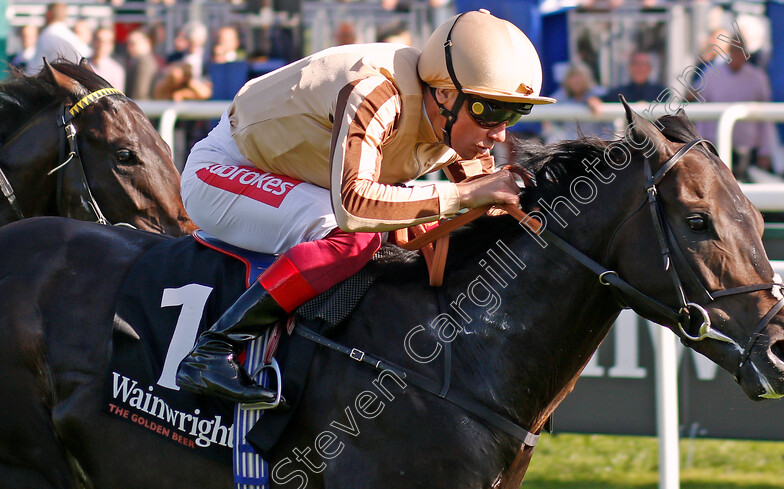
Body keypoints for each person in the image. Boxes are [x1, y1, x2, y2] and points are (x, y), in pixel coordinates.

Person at [175, 9, 555, 404]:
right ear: (443, 94)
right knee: (353, 239)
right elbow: (355, 208)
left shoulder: (455, 117)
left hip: (304, 177)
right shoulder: (378, 93)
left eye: (513, 113)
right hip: (224, 169)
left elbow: (489, 211)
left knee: (420, 230)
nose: (499, 132)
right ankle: (212, 352)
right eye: (489, 110)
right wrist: (462, 197)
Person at [693, 42, 777, 181]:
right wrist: (700, 143)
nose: (737, 56)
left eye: (740, 52)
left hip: (747, 148)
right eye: (734, 51)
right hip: (714, 145)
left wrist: (765, 150)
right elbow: (701, 109)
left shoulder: (757, 77)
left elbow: (766, 118)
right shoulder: (711, 73)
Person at [542, 62, 609, 143]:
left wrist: (593, 101)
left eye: (579, 76)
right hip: (570, 142)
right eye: (572, 76)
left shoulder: (600, 94)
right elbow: (548, 112)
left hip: (597, 141)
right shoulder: (561, 96)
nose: (576, 80)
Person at [26, 3, 91, 75]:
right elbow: (87, 57)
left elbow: (34, 70)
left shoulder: (46, 36)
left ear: (48, 14)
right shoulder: (72, 37)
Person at [588, 51, 666, 112]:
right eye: (636, 64)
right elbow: (599, 99)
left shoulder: (661, 92)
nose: (639, 69)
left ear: (649, 69)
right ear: (630, 68)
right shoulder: (620, 92)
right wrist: (593, 101)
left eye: (643, 64)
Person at [124, 29, 159, 100]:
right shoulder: (142, 60)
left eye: (133, 44)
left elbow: (140, 92)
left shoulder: (144, 62)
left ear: (146, 43)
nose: (129, 48)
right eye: (128, 44)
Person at [89, 26, 126, 91]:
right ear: (93, 41)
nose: (101, 45)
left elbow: (118, 97)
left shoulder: (116, 70)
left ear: (111, 45)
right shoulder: (82, 64)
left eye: (106, 42)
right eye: (98, 40)